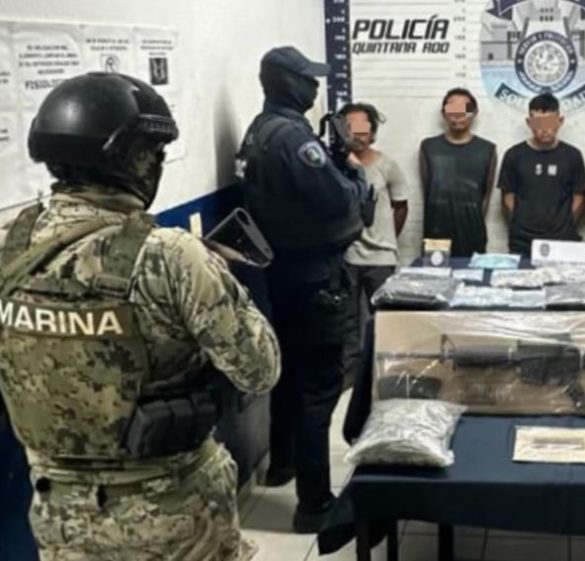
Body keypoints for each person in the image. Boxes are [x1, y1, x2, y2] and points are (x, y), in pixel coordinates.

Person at [0, 72, 280, 560]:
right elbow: (260, 369)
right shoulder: (170, 256)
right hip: (173, 515)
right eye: (155, 153)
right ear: (133, 159)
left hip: (59, 516)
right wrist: (225, 282)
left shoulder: (10, 247)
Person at [238, 46, 371, 533]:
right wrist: (353, 174)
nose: (315, 88)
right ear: (286, 82)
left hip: (284, 273)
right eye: (308, 80)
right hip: (316, 277)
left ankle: (283, 463)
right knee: (319, 388)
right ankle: (314, 504)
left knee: (290, 375)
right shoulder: (293, 136)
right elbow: (339, 200)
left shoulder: (260, 129)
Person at [339, 101, 408, 391]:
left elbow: (401, 205)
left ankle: (387, 375)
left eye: (363, 129)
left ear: (373, 132)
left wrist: (386, 237)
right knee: (348, 322)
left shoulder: (387, 165)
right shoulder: (335, 166)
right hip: (347, 257)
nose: (357, 135)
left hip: (381, 258)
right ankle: (349, 377)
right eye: (349, 128)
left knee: (384, 319)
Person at [499, 93, 585, 255]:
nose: (544, 129)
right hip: (523, 241)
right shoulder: (514, 155)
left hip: (563, 239)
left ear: (560, 121)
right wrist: (520, 223)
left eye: (550, 122)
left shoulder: (573, 155)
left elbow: (579, 196)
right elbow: (507, 196)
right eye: (538, 123)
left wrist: (566, 225)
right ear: (529, 123)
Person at [419, 88, 497, 257]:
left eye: (464, 110)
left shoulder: (487, 150)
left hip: (473, 233)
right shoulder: (429, 147)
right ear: (444, 113)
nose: (458, 115)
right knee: (434, 273)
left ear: (474, 113)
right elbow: (428, 190)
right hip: (436, 233)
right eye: (453, 110)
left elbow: (486, 196)